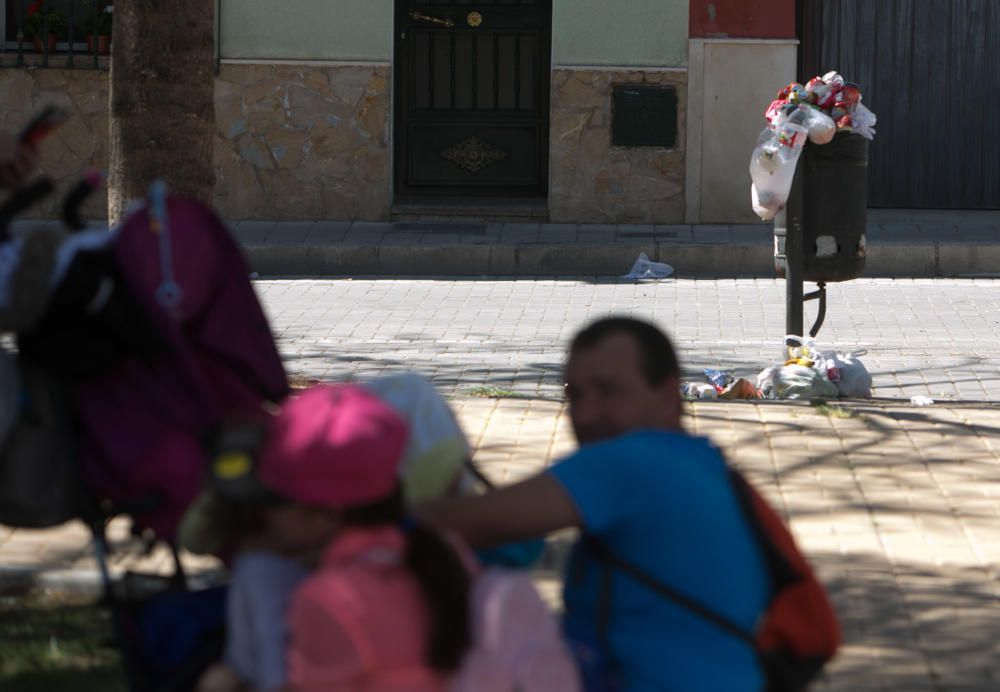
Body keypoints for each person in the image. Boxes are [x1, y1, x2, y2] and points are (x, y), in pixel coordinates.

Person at [420, 317, 773, 691]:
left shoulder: (633, 461)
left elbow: (463, 522)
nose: (585, 414)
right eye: (575, 395)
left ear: (668, 396)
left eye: (608, 392)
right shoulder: (702, 462)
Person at [194, 380, 577, 692]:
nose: (260, 516)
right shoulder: (463, 570)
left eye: (273, 500)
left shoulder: (327, 600)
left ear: (314, 512)